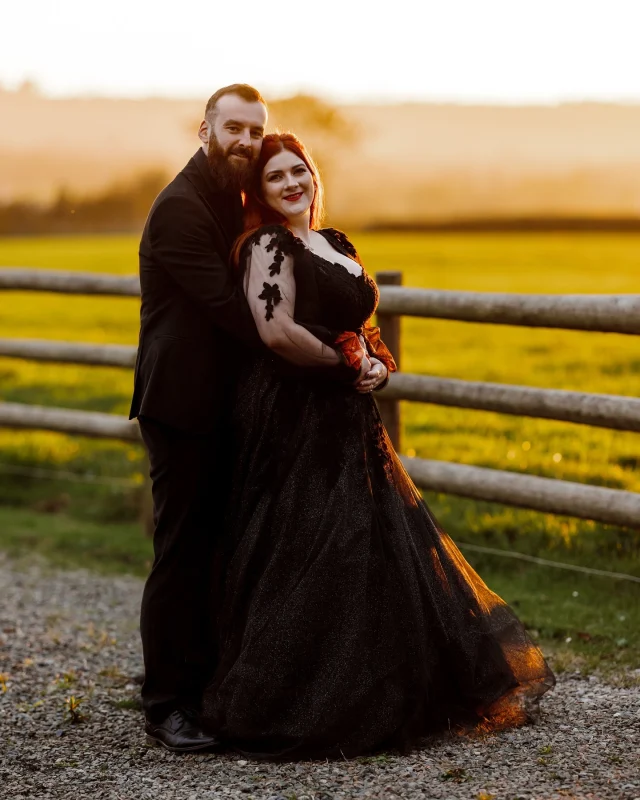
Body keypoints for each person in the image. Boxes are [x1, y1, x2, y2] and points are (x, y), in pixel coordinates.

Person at [201, 132, 555, 759]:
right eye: (275, 176)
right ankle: (295, 702)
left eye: (298, 171)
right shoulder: (266, 245)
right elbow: (276, 331)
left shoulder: (335, 244)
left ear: (313, 176)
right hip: (293, 414)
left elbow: (361, 329)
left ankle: (378, 691)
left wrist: (377, 365)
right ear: (258, 191)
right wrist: (344, 367)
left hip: (348, 415)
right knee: (308, 540)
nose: (291, 184)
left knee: (365, 540)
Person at [130, 86, 382, 753]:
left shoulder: (230, 194)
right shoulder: (182, 208)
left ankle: (210, 679)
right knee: (182, 550)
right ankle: (164, 705)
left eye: (255, 131)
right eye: (233, 129)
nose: (246, 141)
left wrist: (357, 343)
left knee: (226, 542)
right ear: (204, 127)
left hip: (230, 402)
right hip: (182, 401)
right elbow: (236, 312)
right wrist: (334, 349)